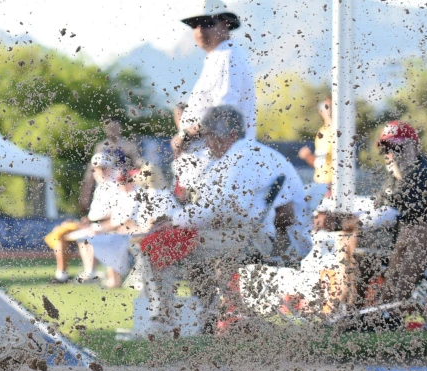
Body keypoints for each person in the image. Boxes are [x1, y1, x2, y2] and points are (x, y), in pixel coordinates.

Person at [137, 106, 303, 333]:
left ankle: (163, 320)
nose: (206, 143)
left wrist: (175, 222)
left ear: (231, 136)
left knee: (157, 242)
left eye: (209, 137)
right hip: (254, 232)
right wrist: (179, 221)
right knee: (182, 249)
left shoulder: (242, 156)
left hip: (257, 236)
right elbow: (215, 209)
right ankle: (209, 318)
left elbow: (222, 209)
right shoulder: (246, 154)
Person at [314, 121, 427, 327]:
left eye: (397, 147)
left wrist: (343, 221)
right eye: (386, 148)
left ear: (414, 147)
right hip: (402, 240)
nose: (391, 154)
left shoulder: (421, 173)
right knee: (349, 237)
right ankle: (350, 308)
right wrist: (338, 216)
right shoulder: (397, 174)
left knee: (356, 234)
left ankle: (383, 312)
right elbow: (378, 206)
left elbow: (388, 213)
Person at [171, 0, 256, 156]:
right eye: (194, 24)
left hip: (222, 160)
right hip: (215, 159)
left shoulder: (227, 57)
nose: (199, 29)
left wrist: (184, 135)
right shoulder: (219, 56)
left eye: (206, 22)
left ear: (225, 24)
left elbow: (224, 114)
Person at [46, 150, 129, 283]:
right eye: (97, 168)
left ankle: (90, 272)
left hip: (105, 226)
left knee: (85, 237)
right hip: (94, 223)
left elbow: (116, 216)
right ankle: (62, 274)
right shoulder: (101, 186)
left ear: (109, 168)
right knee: (60, 234)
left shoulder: (115, 187)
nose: (99, 172)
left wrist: (95, 225)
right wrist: (87, 221)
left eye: (103, 168)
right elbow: (96, 214)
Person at [298, 98, 336, 204]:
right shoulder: (322, 131)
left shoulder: (339, 130)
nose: (329, 110)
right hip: (320, 183)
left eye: (331, 107)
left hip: (334, 184)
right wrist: (307, 156)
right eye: (326, 107)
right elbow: (319, 162)